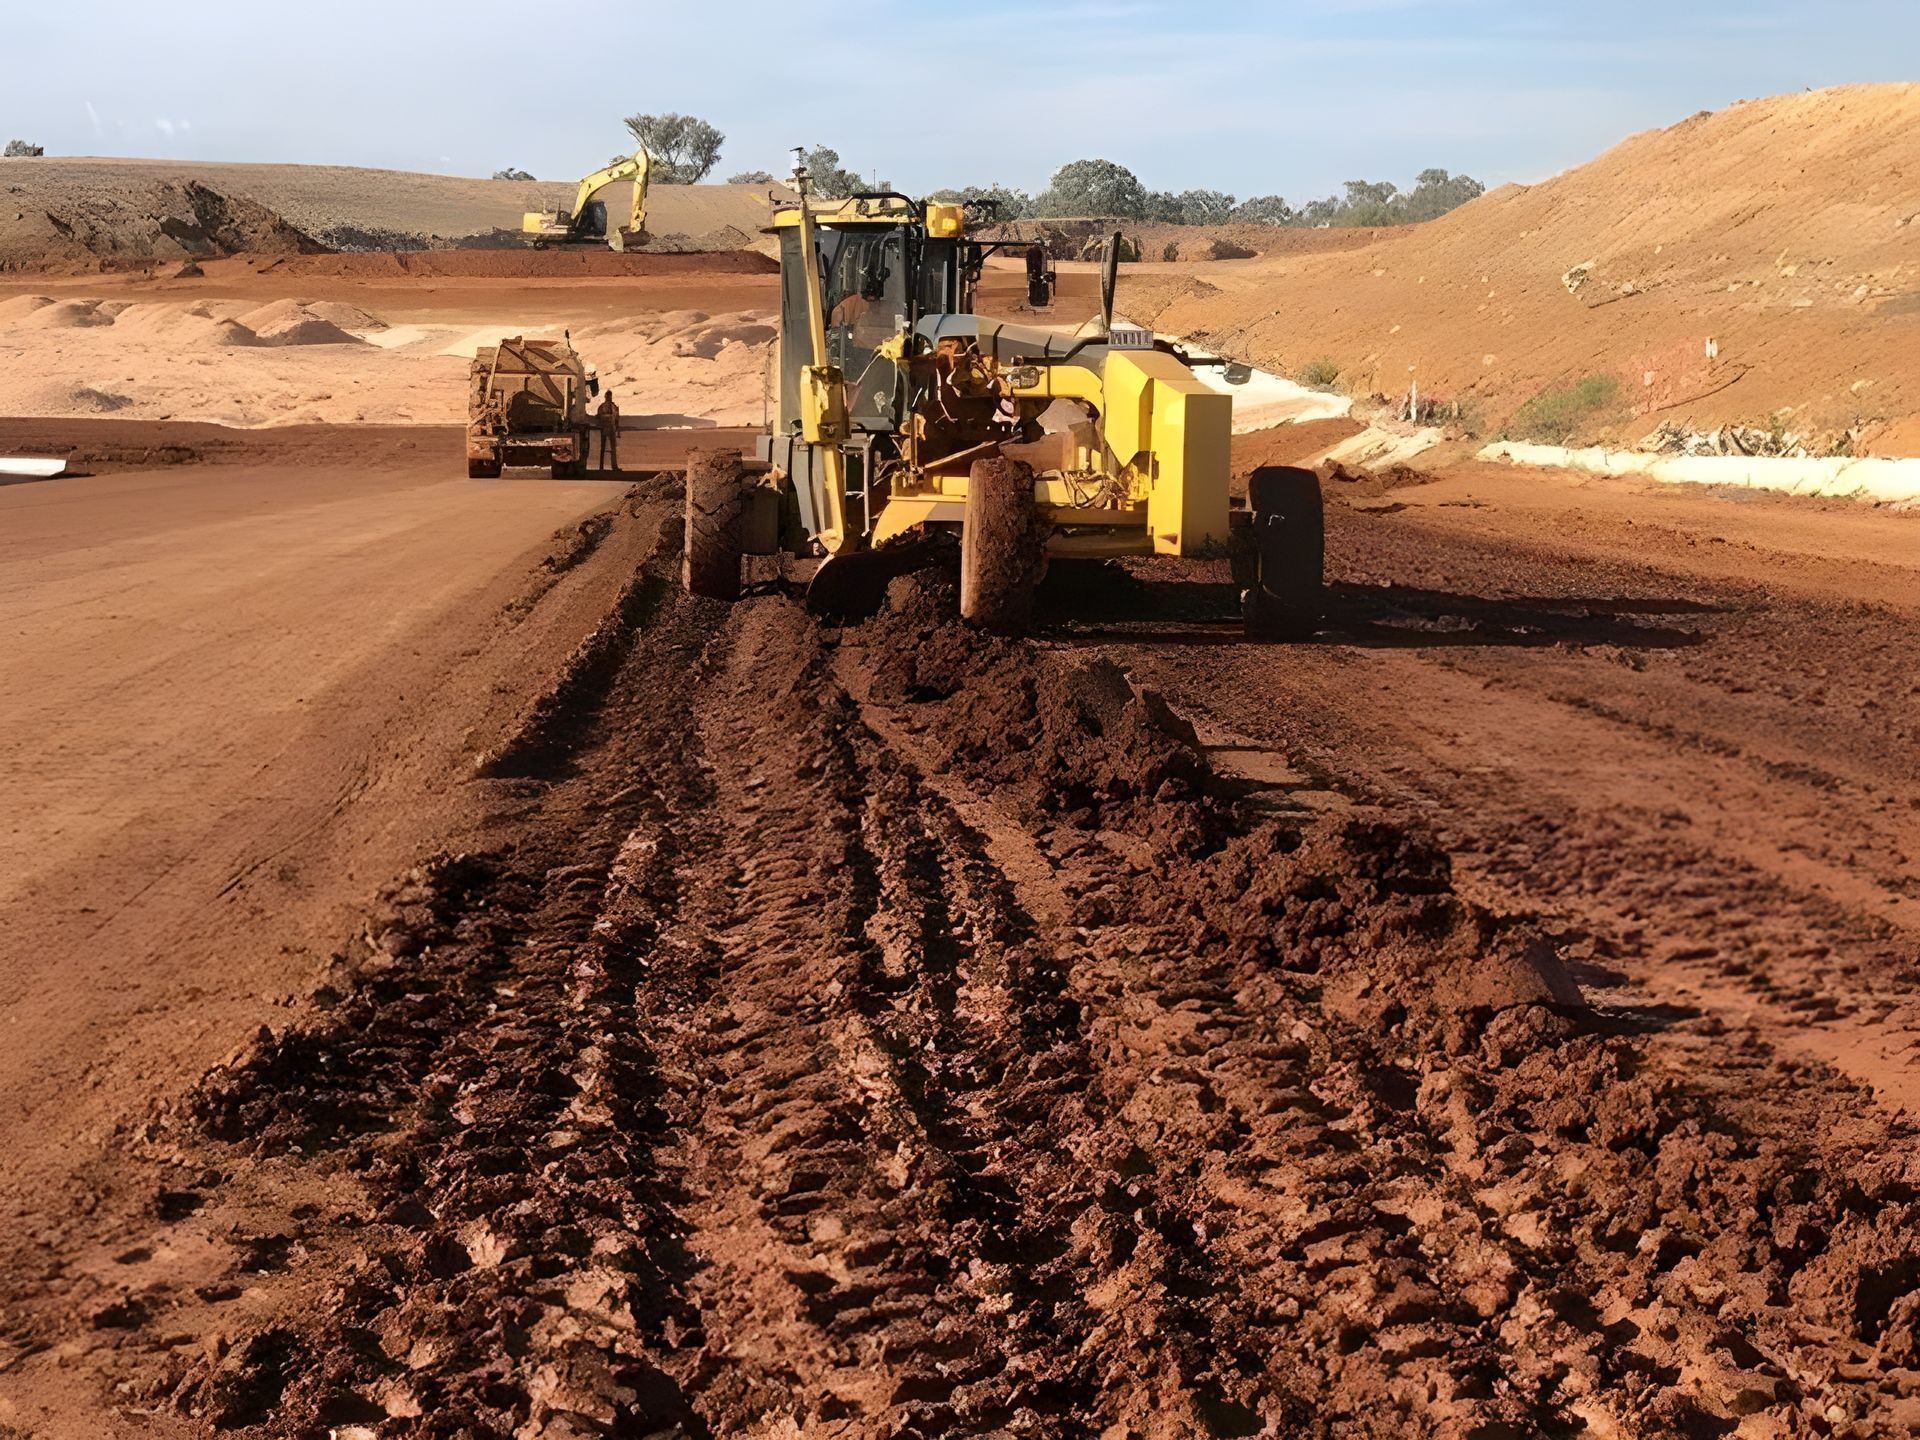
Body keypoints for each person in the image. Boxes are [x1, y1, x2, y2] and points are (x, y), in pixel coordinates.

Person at [595, 391, 620, 473]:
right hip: (606, 428)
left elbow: (616, 419)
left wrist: (617, 429)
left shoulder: (611, 406)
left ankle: (611, 466)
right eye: (608, 396)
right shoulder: (604, 406)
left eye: (609, 396)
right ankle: (603, 466)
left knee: (611, 448)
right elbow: (598, 417)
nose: (608, 397)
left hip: (609, 428)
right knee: (605, 448)